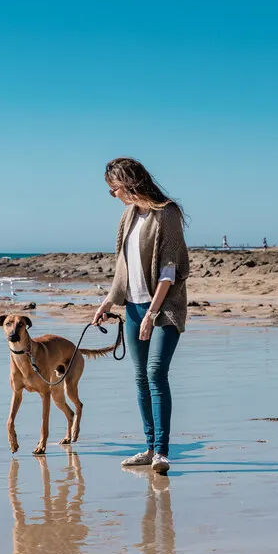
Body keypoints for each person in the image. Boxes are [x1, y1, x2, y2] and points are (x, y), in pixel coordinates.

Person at [93, 157, 189, 474]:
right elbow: (123, 267)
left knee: (156, 373)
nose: (114, 196)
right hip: (133, 306)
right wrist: (108, 302)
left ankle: (162, 451)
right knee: (140, 378)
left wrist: (152, 313)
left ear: (129, 183)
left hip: (163, 308)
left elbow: (168, 270)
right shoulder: (129, 216)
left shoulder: (167, 214)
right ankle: (149, 448)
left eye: (114, 189)